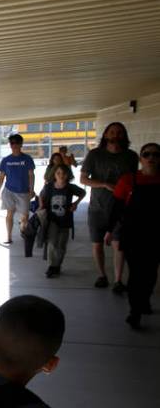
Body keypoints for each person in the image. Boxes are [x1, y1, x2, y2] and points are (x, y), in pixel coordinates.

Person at [105, 142, 160, 329]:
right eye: (147, 154)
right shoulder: (129, 180)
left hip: (156, 235)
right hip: (133, 234)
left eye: (155, 154)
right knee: (136, 274)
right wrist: (109, 230)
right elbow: (117, 208)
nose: (151, 158)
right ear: (140, 158)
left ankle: (144, 301)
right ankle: (135, 311)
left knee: (151, 273)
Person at [80, 122, 138, 291]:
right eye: (112, 132)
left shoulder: (131, 156)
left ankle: (118, 280)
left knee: (118, 244)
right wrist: (104, 184)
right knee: (97, 244)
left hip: (122, 208)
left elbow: (133, 180)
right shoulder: (95, 155)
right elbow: (83, 179)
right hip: (98, 207)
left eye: (119, 133)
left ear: (124, 136)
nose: (115, 135)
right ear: (106, 135)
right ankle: (102, 275)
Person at [39, 164, 86, 277]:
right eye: (58, 173)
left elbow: (83, 193)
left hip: (65, 220)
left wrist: (76, 203)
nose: (61, 176)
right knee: (52, 243)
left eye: (64, 174)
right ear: (54, 174)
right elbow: (41, 195)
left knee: (61, 244)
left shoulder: (70, 187)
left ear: (68, 175)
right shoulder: (49, 186)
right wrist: (41, 207)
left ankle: (57, 265)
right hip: (52, 220)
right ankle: (51, 266)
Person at [0, 134, 35, 245]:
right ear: (10, 145)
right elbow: (1, 176)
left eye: (17, 142)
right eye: (12, 143)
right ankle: (9, 237)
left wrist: (32, 189)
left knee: (25, 216)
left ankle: (23, 230)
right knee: (9, 213)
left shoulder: (27, 159)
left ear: (21, 144)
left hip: (24, 191)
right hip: (9, 191)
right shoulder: (6, 160)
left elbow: (31, 175)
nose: (14, 145)